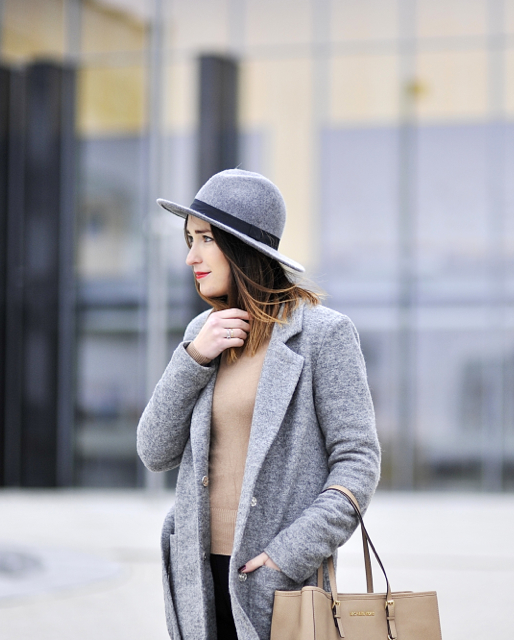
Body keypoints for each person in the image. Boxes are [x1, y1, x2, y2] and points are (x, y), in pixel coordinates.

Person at [137, 169, 381, 640]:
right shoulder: (202, 335)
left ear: (241, 247)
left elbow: (358, 463)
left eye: (205, 239)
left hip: (278, 582)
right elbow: (154, 452)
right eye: (189, 239)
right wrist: (193, 358)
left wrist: (286, 556)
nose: (191, 256)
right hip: (197, 578)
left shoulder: (323, 335)